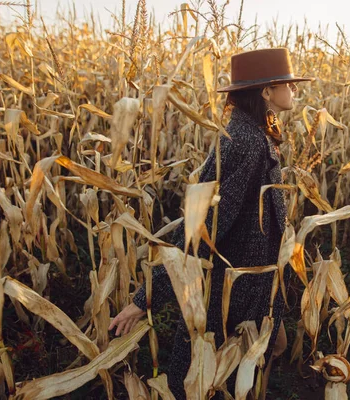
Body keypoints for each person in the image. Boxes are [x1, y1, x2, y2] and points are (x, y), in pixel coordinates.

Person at [109, 48, 313, 399]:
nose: (294, 92)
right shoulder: (243, 142)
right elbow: (197, 229)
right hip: (232, 292)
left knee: (264, 354)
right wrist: (145, 299)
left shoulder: (258, 134)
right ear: (266, 92)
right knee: (208, 380)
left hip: (257, 285)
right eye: (288, 85)